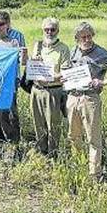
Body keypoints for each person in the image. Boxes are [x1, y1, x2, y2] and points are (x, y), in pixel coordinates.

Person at [62, 22, 107, 178]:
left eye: (89, 36)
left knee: (93, 138)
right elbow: (66, 72)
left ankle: (94, 174)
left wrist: (103, 82)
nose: (87, 39)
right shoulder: (73, 52)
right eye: (83, 37)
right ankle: (79, 165)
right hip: (72, 97)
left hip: (90, 99)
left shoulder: (100, 53)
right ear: (77, 38)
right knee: (73, 135)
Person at [29, 18, 70, 158]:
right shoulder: (37, 45)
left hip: (53, 91)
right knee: (38, 122)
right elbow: (31, 65)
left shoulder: (63, 49)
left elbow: (65, 73)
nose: (49, 32)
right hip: (36, 90)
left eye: (52, 29)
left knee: (53, 125)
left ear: (57, 30)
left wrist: (48, 77)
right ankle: (42, 151)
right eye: (47, 29)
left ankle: (53, 154)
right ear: (43, 30)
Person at [0, 11, 27, 146]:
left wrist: (25, 54)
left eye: (1, 24)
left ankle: (14, 143)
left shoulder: (16, 38)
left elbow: (22, 61)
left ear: (8, 24)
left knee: (9, 113)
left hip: (10, 81)